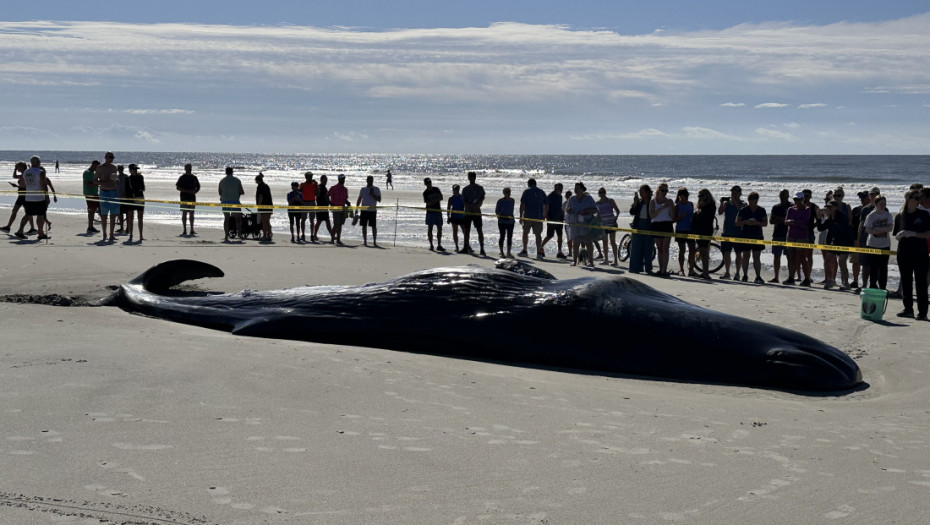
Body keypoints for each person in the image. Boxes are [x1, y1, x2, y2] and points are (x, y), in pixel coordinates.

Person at [893, 189, 930, 319]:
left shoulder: (924, 215)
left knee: (921, 283)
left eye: (920, 198)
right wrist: (899, 236)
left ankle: (923, 312)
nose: (919, 201)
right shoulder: (900, 216)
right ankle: (908, 309)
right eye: (916, 198)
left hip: (920, 253)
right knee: (906, 281)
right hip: (904, 253)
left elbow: (928, 234)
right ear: (909, 199)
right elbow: (896, 235)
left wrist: (913, 234)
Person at [13, 156, 52, 241]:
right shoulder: (40, 172)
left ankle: (20, 230)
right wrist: (47, 196)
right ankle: (40, 233)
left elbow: (23, 184)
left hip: (29, 197)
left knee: (28, 214)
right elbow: (43, 185)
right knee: (40, 215)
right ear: (38, 162)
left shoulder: (26, 172)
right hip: (39, 197)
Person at [735, 191, 768, 283]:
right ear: (749, 201)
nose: (753, 203)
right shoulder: (744, 210)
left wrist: (757, 223)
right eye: (751, 201)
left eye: (755, 201)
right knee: (746, 256)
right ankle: (745, 275)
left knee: (756, 256)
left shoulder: (761, 210)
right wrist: (746, 222)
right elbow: (737, 222)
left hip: (757, 235)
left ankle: (758, 276)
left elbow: (765, 223)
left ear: (757, 201)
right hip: (746, 235)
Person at [863, 194, 893, 290]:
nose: (883, 205)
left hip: (885, 244)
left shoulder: (888, 215)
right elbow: (868, 230)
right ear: (876, 204)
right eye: (881, 204)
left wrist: (876, 229)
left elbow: (890, 228)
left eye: (884, 203)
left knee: (883, 267)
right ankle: (872, 286)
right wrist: (882, 229)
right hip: (873, 244)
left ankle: (883, 287)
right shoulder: (871, 216)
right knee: (873, 267)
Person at [854, 187, 880, 292]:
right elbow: (861, 225)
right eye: (871, 195)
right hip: (865, 239)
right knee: (865, 264)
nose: (873, 196)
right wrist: (858, 240)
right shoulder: (865, 209)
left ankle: (874, 284)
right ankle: (864, 284)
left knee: (876, 264)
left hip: (878, 240)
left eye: (875, 194)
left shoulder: (883, 208)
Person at [785, 191, 813, 286]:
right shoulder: (791, 209)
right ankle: (791, 277)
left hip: (802, 236)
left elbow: (804, 222)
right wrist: (793, 222)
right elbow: (786, 221)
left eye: (798, 199)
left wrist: (793, 222)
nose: (796, 201)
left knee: (802, 257)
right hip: (791, 235)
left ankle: (807, 278)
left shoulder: (807, 209)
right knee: (792, 257)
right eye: (795, 199)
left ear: (802, 199)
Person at [718, 185, 745, 280]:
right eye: (732, 192)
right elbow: (720, 212)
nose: (733, 194)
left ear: (740, 194)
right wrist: (722, 203)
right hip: (727, 231)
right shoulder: (727, 203)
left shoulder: (743, 203)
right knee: (726, 253)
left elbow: (742, 212)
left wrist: (735, 203)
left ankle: (737, 273)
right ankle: (727, 272)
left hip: (738, 232)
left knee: (738, 254)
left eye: (736, 193)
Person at [567, 182, 597, 267]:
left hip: (586, 223)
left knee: (588, 243)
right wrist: (569, 210)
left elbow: (595, 210)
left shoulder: (588, 198)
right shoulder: (572, 199)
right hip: (575, 223)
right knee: (576, 243)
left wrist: (587, 211)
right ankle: (574, 261)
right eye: (575, 188)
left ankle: (591, 261)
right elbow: (567, 209)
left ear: (582, 189)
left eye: (577, 188)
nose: (575, 190)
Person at [2, 162, 35, 234]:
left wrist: (16, 186)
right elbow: (14, 176)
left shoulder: (26, 174)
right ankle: (8, 227)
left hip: (25, 194)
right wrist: (15, 169)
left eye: (18, 167)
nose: (17, 169)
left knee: (26, 212)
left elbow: (28, 184)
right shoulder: (22, 174)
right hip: (21, 194)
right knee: (18, 211)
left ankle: (32, 228)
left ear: (22, 167)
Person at [93, 152, 120, 243]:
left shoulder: (114, 167)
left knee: (113, 214)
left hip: (113, 192)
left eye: (112, 157)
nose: (111, 159)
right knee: (104, 215)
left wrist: (115, 180)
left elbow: (116, 180)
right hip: (104, 192)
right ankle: (104, 234)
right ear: (105, 157)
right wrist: (103, 182)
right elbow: (95, 180)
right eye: (110, 157)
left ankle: (111, 234)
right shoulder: (100, 168)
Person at [518, 178, 547, 259]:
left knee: (525, 233)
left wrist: (521, 216)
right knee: (538, 235)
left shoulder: (527, 191)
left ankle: (525, 250)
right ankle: (538, 253)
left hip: (528, 216)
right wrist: (544, 215)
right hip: (538, 216)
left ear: (528, 184)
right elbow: (547, 204)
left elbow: (522, 204)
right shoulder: (541, 192)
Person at [650, 183, 675, 277]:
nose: (664, 192)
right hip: (656, 225)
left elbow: (672, 217)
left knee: (665, 248)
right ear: (658, 190)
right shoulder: (653, 201)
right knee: (659, 248)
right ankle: (661, 269)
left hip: (667, 224)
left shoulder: (669, 201)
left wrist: (671, 207)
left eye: (666, 191)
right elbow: (652, 215)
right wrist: (661, 207)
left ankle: (664, 270)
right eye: (663, 190)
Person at [629, 184, 654, 274]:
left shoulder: (652, 202)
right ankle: (635, 268)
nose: (640, 193)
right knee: (636, 248)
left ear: (647, 192)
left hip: (649, 226)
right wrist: (635, 203)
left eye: (642, 191)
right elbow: (632, 212)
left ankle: (648, 268)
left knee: (648, 248)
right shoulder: (639, 202)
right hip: (638, 225)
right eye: (640, 191)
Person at [692, 189, 716, 280]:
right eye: (699, 196)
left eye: (702, 195)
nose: (700, 198)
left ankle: (706, 272)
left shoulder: (710, 205)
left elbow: (706, 217)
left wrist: (699, 212)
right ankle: (704, 272)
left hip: (705, 230)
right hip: (699, 229)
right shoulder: (700, 205)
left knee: (704, 251)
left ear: (707, 195)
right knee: (702, 251)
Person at [461, 171, 486, 256]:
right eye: (470, 177)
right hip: (468, 211)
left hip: (476, 211)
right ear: (468, 178)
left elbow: (482, 197)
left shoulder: (479, 188)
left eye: (473, 177)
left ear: (475, 178)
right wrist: (470, 205)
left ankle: (482, 248)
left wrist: (476, 205)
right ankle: (466, 247)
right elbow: (464, 200)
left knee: (479, 229)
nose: (471, 179)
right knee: (466, 230)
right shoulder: (465, 189)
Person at [672, 187, 696, 276]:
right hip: (680, 229)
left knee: (692, 249)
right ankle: (681, 269)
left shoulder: (690, 204)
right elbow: (672, 220)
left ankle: (691, 269)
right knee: (682, 250)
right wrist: (680, 217)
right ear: (679, 196)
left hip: (690, 229)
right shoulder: (677, 206)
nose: (684, 198)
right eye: (682, 196)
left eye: (686, 196)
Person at [769, 189, 791, 283]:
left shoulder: (791, 206)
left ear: (788, 196)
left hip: (788, 235)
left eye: (784, 195)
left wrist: (780, 219)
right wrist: (783, 220)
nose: (782, 196)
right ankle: (776, 277)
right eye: (781, 194)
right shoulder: (776, 207)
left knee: (789, 257)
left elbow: (791, 221)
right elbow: (771, 221)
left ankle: (791, 277)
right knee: (776, 256)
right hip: (777, 234)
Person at [595, 187, 621, 266]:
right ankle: (606, 259)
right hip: (603, 225)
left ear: (605, 193)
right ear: (599, 194)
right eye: (600, 192)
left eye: (603, 192)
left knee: (613, 242)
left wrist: (616, 217)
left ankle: (615, 260)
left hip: (611, 224)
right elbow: (598, 214)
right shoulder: (597, 203)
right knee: (604, 242)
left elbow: (617, 211)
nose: (602, 194)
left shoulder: (610, 201)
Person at [219, 167, 244, 242]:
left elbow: (220, 193)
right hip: (235, 201)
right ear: (232, 172)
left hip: (225, 202)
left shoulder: (222, 181)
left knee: (226, 218)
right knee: (238, 218)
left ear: (226, 172)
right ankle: (239, 233)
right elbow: (242, 191)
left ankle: (226, 236)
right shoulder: (237, 180)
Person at [541, 183, 566, 258]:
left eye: (561, 188)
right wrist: (546, 216)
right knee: (550, 235)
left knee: (560, 235)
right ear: (555, 188)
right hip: (551, 218)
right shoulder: (550, 196)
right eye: (559, 188)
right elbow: (546, 206)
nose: (561, 190)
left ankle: (559, 251)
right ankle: (541, 247)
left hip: (559, 219)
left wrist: (563, 216)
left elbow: (560, 207)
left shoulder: (560, 196)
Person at [356, 175, 381, 247]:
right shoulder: (363, 189)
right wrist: (357, 209)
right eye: (369, 180)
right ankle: (365, 241)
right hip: (364, 210)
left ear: (373, 181)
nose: (370, 181)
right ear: (366, 180)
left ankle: (374, 241)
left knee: (373, 226)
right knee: (364, 226)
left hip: (372, 210)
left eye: (371, 180)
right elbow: (359, 199)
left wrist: (373, 195)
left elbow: (379, 200)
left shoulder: (376, 189)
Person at [176, 163, 200, 236]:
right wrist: (187, 191)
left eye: (190, 168)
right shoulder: (182, 177)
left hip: (192, 198)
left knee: (192, 214)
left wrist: (195, 192)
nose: (189, 169)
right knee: (184, 213)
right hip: (184, 198)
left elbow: (198, 187)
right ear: (185, 169)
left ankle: (192, 229)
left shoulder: (194, 177)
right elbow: (178, 187)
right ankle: (184, 230)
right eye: (188, 168)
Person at [422, 178, 445, 252]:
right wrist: (436, 200)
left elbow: (441, 197)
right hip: (430, 212)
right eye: (427, 183)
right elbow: (428, 203)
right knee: (430, 228)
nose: (429, 184)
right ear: (425, 184)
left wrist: (434, 201)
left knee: (439, 228)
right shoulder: (425, 193)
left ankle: (439, 244)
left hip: (438, 211)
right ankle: (431, 245)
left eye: (430, 182)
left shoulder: (436, 189)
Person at [125, 164, 145, 242]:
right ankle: (131, 235)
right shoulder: (128, 179)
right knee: (130, 218)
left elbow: (142, 188)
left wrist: (136, 190)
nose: (135, 171)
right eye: (133, 170)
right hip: (131, 199)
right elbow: (127, 190)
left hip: (139, 197)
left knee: (140, 217)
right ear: (130, 170)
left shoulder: (140, 177)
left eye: (136, 169)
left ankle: (141, 235)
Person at [495, 187, 516, 258]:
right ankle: (501, 252)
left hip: (510, 221)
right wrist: (502, 217)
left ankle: (508, 252)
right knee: (502, 236)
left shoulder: (512, 200)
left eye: (509, 192)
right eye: (506, 192)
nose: (508, 193)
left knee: (509, 237)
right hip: (502, 221)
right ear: (504, 193)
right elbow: (497, 211)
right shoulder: (500, 201)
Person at [329, 174, 349, 245]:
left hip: (343, 208)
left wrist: (348, 203)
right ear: (339, 179)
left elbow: (345, 199)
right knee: (336, 224)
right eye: (342, 179)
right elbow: (326, 196)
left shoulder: (345, 189)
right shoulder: (333, 188)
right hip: (335, 208)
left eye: (343, 179)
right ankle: (332, 239)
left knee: (340, 225)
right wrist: (331, 204)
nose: (343, 180)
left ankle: (338, 239)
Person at [314, 175, 334, 243]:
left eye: (326, 180)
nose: (326, 181)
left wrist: (329, 203)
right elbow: (326, 197)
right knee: (319, 222)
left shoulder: (322, 187)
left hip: (324, 207)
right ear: (321, 180)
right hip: (321, 207)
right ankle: (315, 235)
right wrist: (331, 203)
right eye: (324, 180)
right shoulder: (320, 187)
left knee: (326, 222)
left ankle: (332, 235)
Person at [81, 160, 100, 235]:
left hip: (95, 193)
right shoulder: (87, 172)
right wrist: (97, 184)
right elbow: (88, 183)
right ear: (93, 165)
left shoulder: (93, 173)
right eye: (97, 166)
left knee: (94, 209)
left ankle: (91, 226)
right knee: (91, 210)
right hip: (89, 193)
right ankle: (90, 226)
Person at [299, 172, 318, 242]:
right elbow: (299, 191)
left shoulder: (314, 184)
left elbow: (317, 194)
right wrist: (305, 184)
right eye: (308, 177)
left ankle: (312, 235)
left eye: (311, 177)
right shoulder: (302, 184)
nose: (310, 179)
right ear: (306, 178)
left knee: (312, 219)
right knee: (303, 219)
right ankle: (303, 234)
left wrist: (316, 185)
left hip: (312, 202)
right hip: (304, 202)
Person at [446, 184, 465, 252]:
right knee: (455, 231)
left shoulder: (462, 197)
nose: (456, 190)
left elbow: (465, 207)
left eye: (457, 189)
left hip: (461, 217)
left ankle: (467, 245)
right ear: (453, 190)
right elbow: (448, 208)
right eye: (454, 189)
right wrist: (448, 217)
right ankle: (456, 246)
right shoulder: (451, 198)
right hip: (454, 216)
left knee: (464, 231)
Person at [255, 173, 273, 242]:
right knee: (267, 221)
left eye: (256, 180)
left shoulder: (260, 186)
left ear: (258, 180)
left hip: (263, 206)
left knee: (264, 221)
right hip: (269, 205)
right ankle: (269, 234)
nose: (255, 182)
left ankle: (265, 235)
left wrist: (259, 206)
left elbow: (260, 196)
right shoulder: (266, 185)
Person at [116, 164, 129, 234]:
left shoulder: (126, 177)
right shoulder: (116, 177)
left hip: (125, 197)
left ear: (123, 169)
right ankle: (121, 228)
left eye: (121, 169)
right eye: (119, 169)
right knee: (120, 213)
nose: (120, 170)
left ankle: (128, 227)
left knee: (127, 213)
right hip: (118, 196)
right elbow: (113, 184)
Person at [562, 190, 574, 259]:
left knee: (575, 237)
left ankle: (575, 251)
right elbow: (562, 212)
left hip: (573, 222)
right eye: (567, 195)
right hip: (567, 222)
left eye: (569, 195)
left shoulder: (574, 202)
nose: (567, 196)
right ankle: (570, 252)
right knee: (569, 237)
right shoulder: (565, 203)